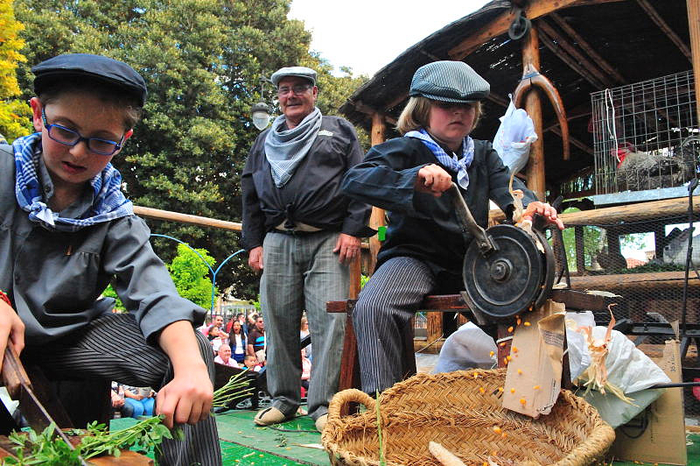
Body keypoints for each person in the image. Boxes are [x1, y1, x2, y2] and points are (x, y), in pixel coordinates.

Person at [0, 53, 221, 465]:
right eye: (64, 130)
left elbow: (155, 295)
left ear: (124, 141)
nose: (79, 152)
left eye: (101, 140)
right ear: (36, 114)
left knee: (189, 349)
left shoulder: (116, 215)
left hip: (64, 343)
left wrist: (191, 370)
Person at [341, 61, 564, 395]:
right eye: (446, 106)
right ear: (423, 109)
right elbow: (355, 180)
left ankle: (538, 403)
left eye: (467, 107)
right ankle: (386, 412)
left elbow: (512, 194)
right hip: (413, 258)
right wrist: (413, 179)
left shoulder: (484, 154)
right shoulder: (406, 148)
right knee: (374, 307)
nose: (458, 114)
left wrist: (531, 208)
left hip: (472, 262)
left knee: (527, 313)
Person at [241, 65, 373, 432]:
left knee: (330, 321)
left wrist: (353, 231)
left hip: (329, 240)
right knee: (277, 319)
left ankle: (322, 406)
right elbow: (250, 192)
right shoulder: (265, 139)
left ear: (314, 93)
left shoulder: (338, 129)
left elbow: (360, 179)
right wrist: (253, 242)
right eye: (284, 90)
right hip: (278, 240)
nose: (291, 95)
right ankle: (283, 399)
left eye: (300, 88)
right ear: (278, 97)